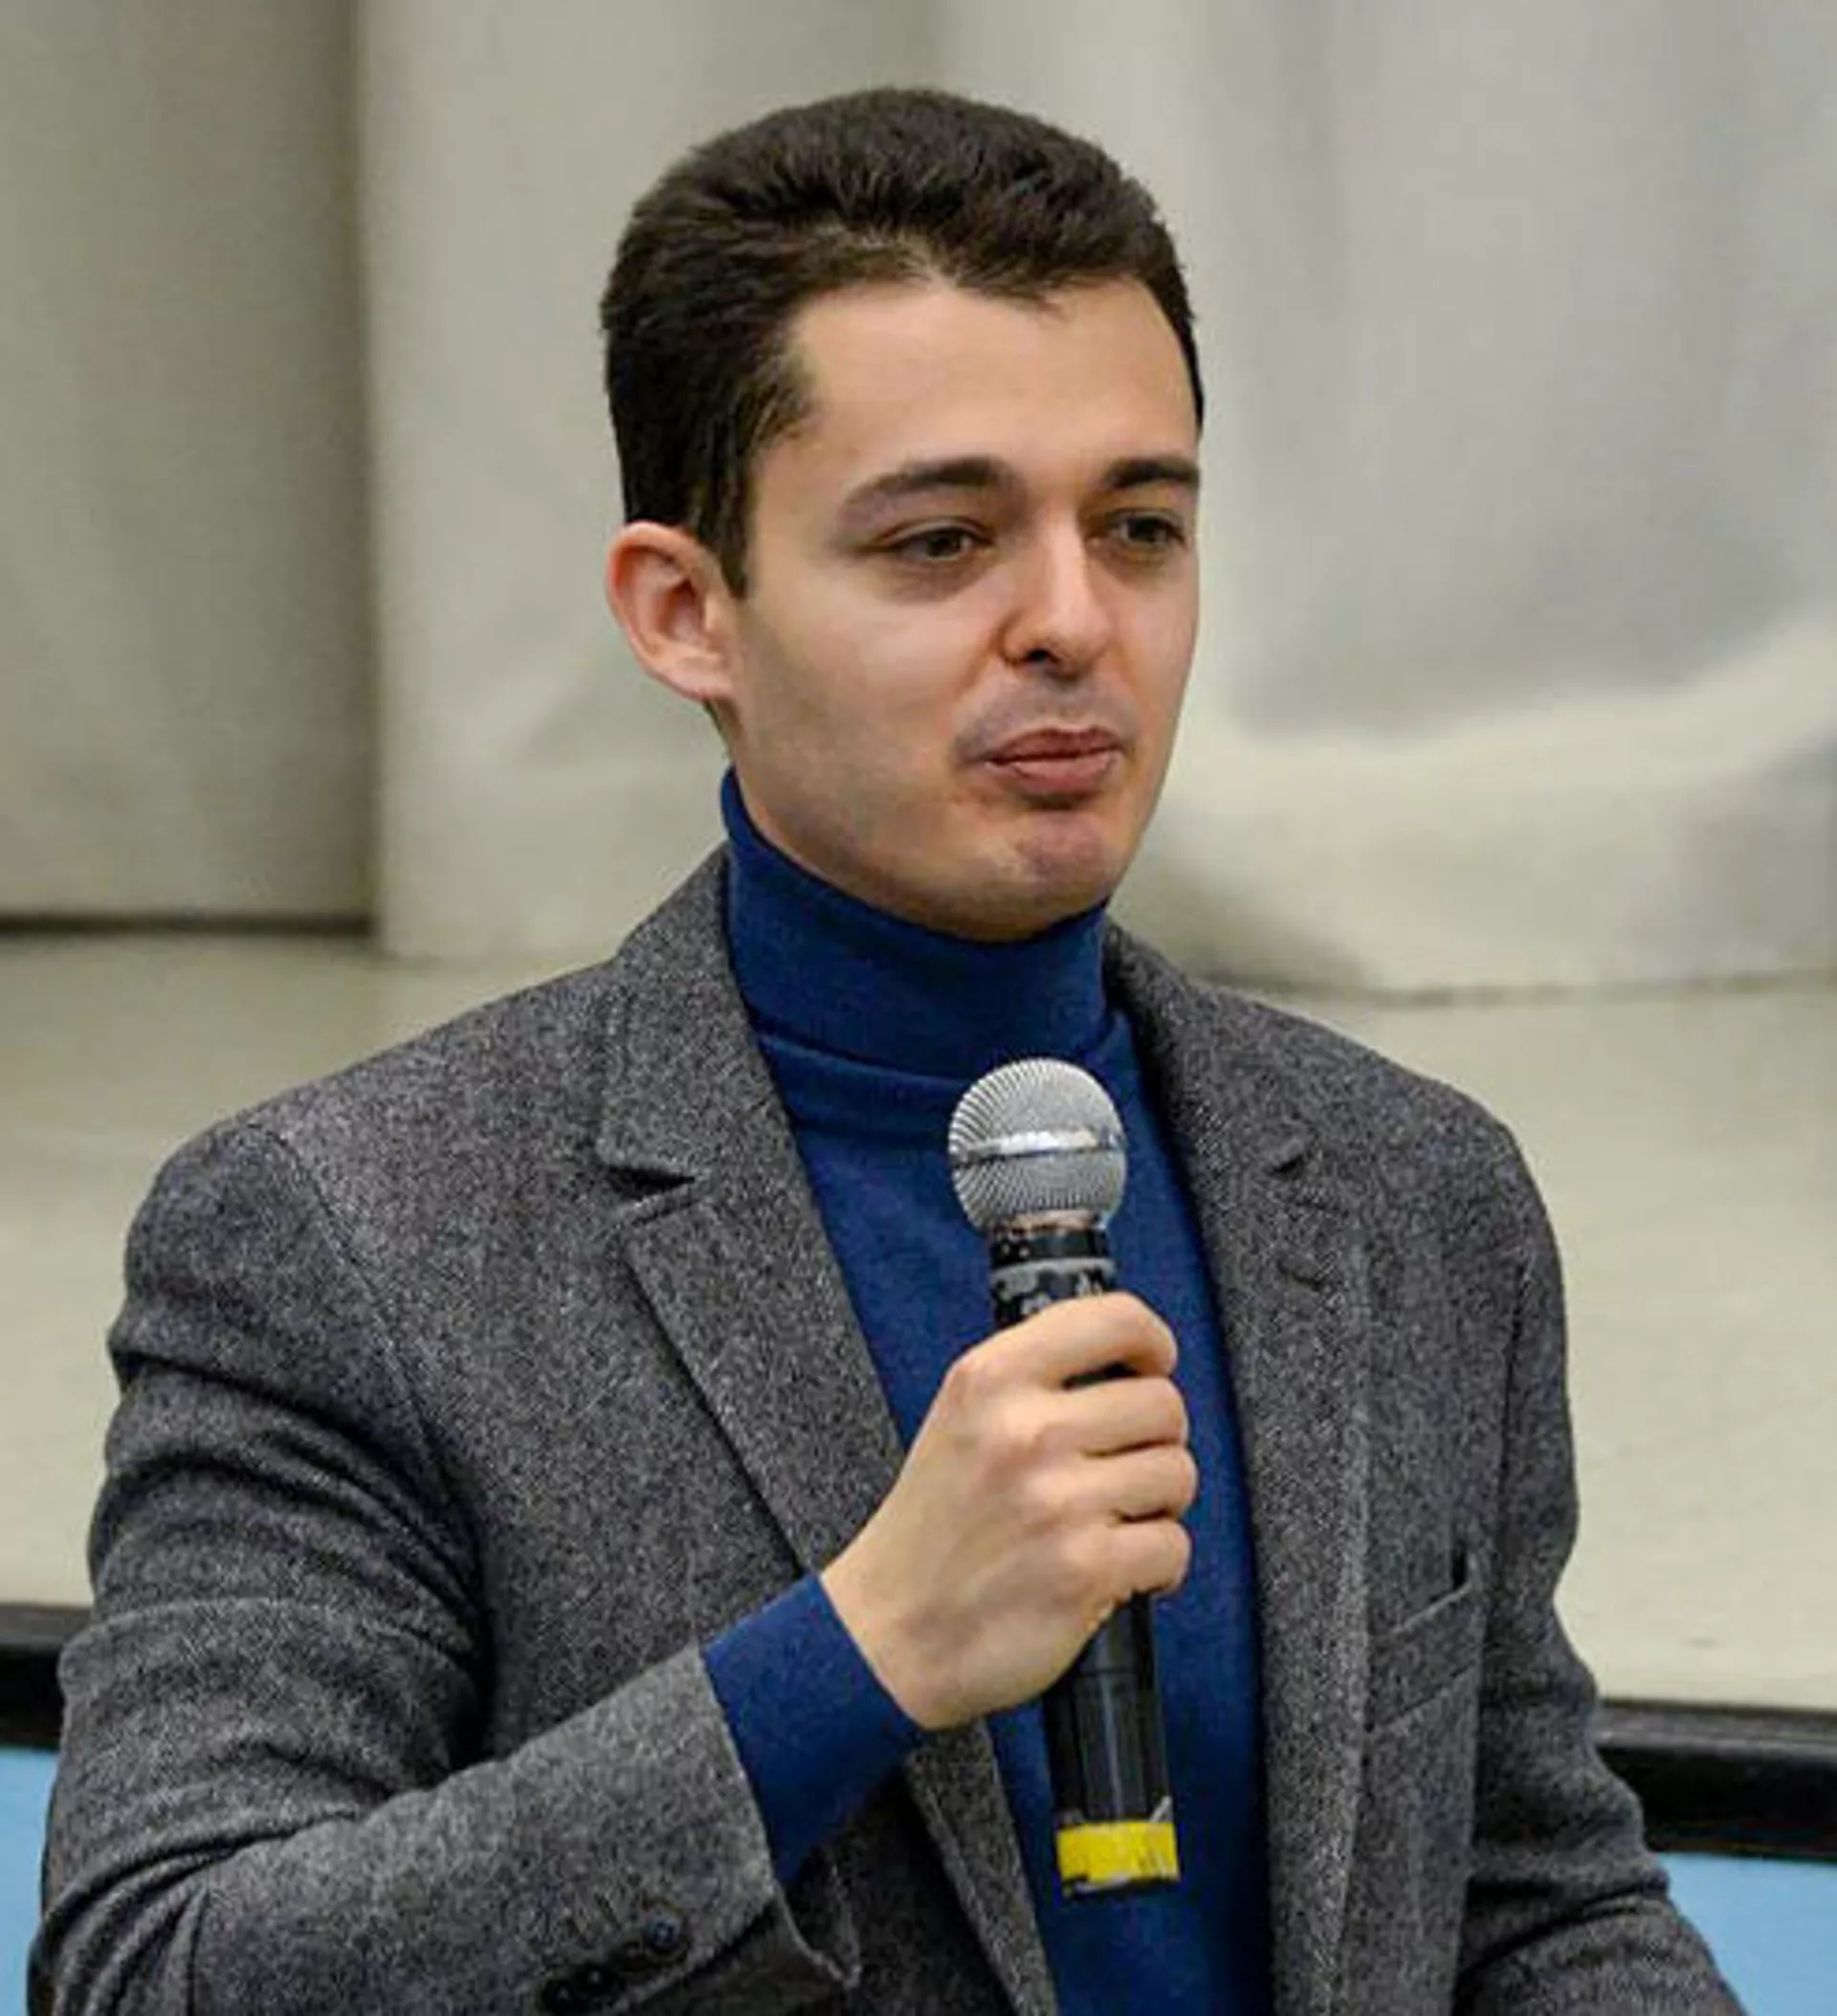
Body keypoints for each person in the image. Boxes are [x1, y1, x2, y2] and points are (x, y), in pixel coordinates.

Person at [34, 87, 1738, 2015]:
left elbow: (1530, 1902)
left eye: (1141, 527)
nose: (1073, 623)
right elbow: (162, 1965)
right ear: (687, 611)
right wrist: (855, 1653)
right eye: (943, 541)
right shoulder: (350, 1239)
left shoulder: (1412, 1191)